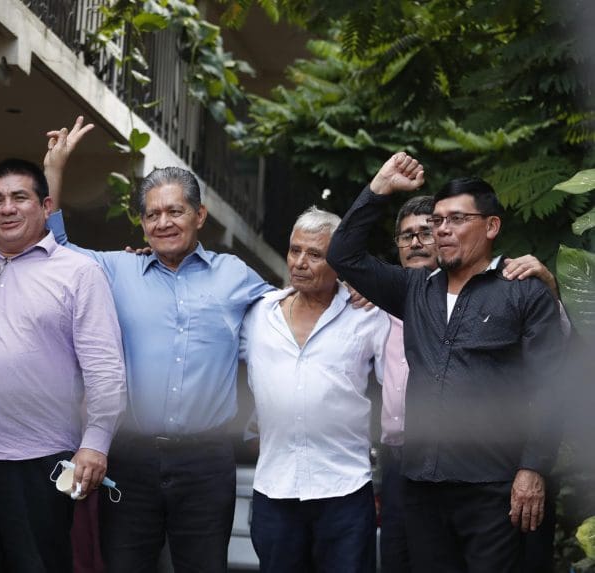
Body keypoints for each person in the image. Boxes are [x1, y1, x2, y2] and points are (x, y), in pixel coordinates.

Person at [44, 118, 273, 572]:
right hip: (131, 455)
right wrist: (54, 171)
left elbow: (289, 314)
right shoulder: (116, 270)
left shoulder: (235, 275)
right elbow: (53, 249)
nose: (163, 222)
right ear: (143, 223)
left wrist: (352, 292)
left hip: (207, 459)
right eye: (152, 214)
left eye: (175, 211)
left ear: (199, 216)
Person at [327, 153, 565, 573]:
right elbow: (343, 255)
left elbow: (552, 388)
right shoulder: (414, 289)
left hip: (495, 486)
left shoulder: (522, 292)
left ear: (491, 226)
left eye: (457, 219)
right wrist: (380, 186)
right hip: (423, 485)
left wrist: (533, 468)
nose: (442, 230)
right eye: (437, 221)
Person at [0, 158, 126, 573]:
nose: (7, 208)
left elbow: (105, 369)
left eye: (19, 197)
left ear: (46, 206)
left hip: (39, 458)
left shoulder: (79, 273)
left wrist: (96, 443)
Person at [379, 195, 562, 573]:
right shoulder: (375, 306)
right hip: (408, 469)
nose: (417, 243)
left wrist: (550, 290)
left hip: (495, 471)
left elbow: (555, 370)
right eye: (406, 236)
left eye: (426, 232)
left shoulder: (511, 293)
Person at [240, 207, 389, 573]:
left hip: (344, 489)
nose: (300, 263)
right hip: (274, 488)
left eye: (315, 254)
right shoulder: (258, 314)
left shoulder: (368, 314)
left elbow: (399, 380)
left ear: (339, 262)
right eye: (295, 250)